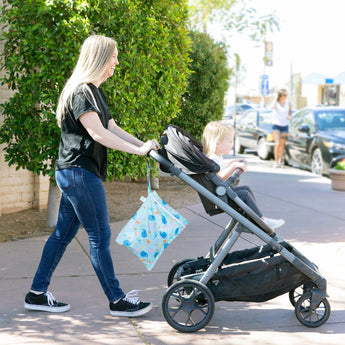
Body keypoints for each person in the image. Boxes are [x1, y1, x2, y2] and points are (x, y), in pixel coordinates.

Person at [24, 35, 160, 317]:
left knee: (63, 234)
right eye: (114, 57)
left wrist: (142, 146)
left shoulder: (94, 91)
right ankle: (117, 300)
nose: (117, 62)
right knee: (100, 235)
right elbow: (98, 134)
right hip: (79, 173)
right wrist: (138, 152)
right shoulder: (81, 91)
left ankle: (36, 293)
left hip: (75, 173)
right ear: (99, 58)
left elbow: (111, 126)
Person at [202, 121, 284, 229]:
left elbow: (220, 170)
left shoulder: (215, 157)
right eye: (230, 141)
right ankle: (261, 221)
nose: (232, 144)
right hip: (220, 197)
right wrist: (233, 166)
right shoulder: (212, 158)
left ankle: (255, 219)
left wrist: (232, 163)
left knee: (246, 189)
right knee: (244, 194)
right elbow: (219, 178)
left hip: (223, 194)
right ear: (217, 143)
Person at [272, 89, 292, 168]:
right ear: (280, 96)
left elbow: (290, 112)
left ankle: (280, 161)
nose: (286, 96)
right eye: (284, 95)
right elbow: (272, 106)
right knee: (277, 144)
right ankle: (276, 162)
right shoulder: (276, 103)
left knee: (283, 145)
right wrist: (275, 98)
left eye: (286, 95)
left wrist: (290, 116)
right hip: (276, 124)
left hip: (285, 125)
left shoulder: (288, 103)